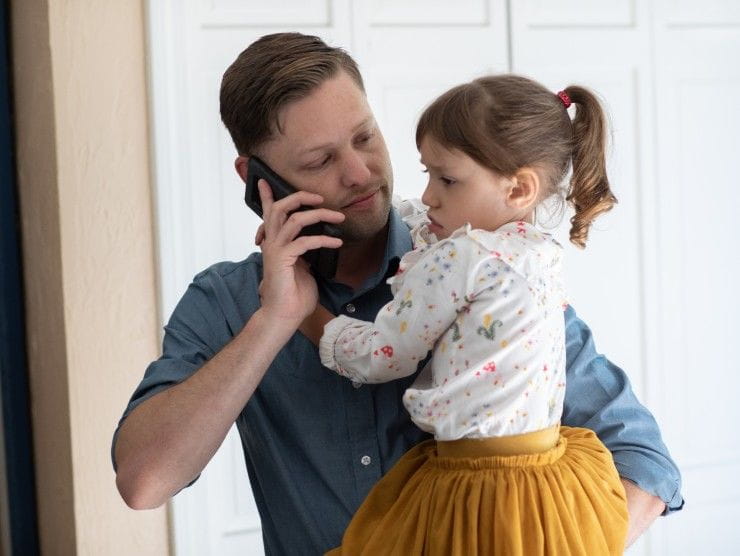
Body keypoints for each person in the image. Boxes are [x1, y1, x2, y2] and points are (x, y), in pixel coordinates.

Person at [112, 33, 683, 555]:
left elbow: (646, 464)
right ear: (257, 180)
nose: (360, 173)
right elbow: (145, 481)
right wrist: (276, 320)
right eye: (320, 160)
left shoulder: (488, 272)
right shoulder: (226, 301)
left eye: (365, 137)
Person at [297, 75, 627, 554]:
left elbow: (383, 356)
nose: (429, 195)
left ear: (518, 189)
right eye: (428, 174)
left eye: (447, 179)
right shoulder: (538, 253)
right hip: (544, 482)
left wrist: (306, 313)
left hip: (476, 484)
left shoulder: (464, 258)